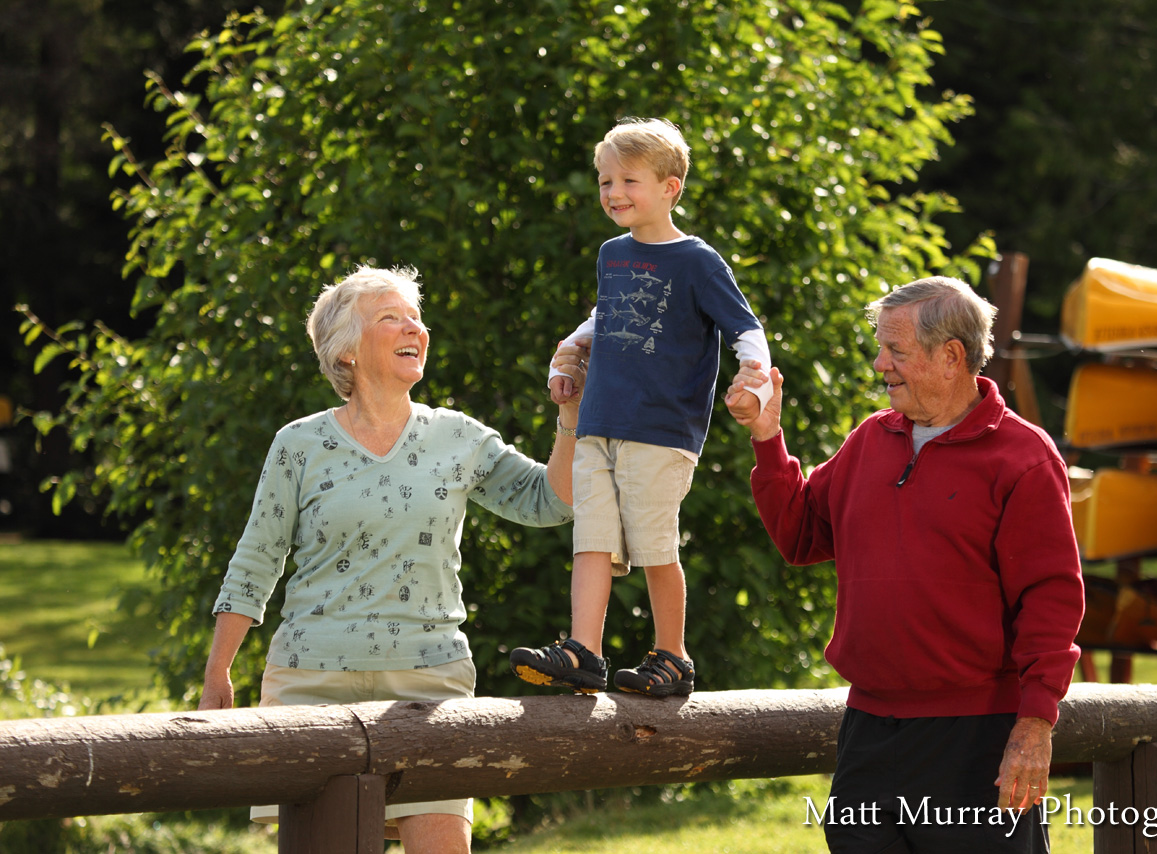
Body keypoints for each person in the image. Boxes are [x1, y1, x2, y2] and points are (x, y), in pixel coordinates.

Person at [197, 265, 583, 854]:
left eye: (416, 317)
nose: (416, 328)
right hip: (312, 680)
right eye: (391, 317)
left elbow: (551, 501)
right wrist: (219, 669)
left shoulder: (457, 436)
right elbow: (257, 557)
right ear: (345, 353)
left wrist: (570, 416)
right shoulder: (298, 444)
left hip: (429, 682)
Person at [726, 277, 1084, 853]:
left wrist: (1035, 723)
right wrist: (768, 436)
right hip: (869, 731)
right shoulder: (869, 439)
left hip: (978, 737)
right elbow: (799, 536)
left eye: (896, 350)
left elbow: (1052, 600)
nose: (878, 363)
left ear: (951, 356)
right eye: (880, 347)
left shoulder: (1024, 457)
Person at [508, 117, 773, 697]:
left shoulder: (697, 261)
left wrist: (755, 382)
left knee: (655, 545)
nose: (613, 193)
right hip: (600, 419)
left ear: (670, 187)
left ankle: (673, 655)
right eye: (605, 182)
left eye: (629, 180)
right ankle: (584, 651)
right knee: (592, 538)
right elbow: (606, 316)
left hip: (660, 428)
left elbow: (746, 330)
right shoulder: (612, 254)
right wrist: (567, 355)